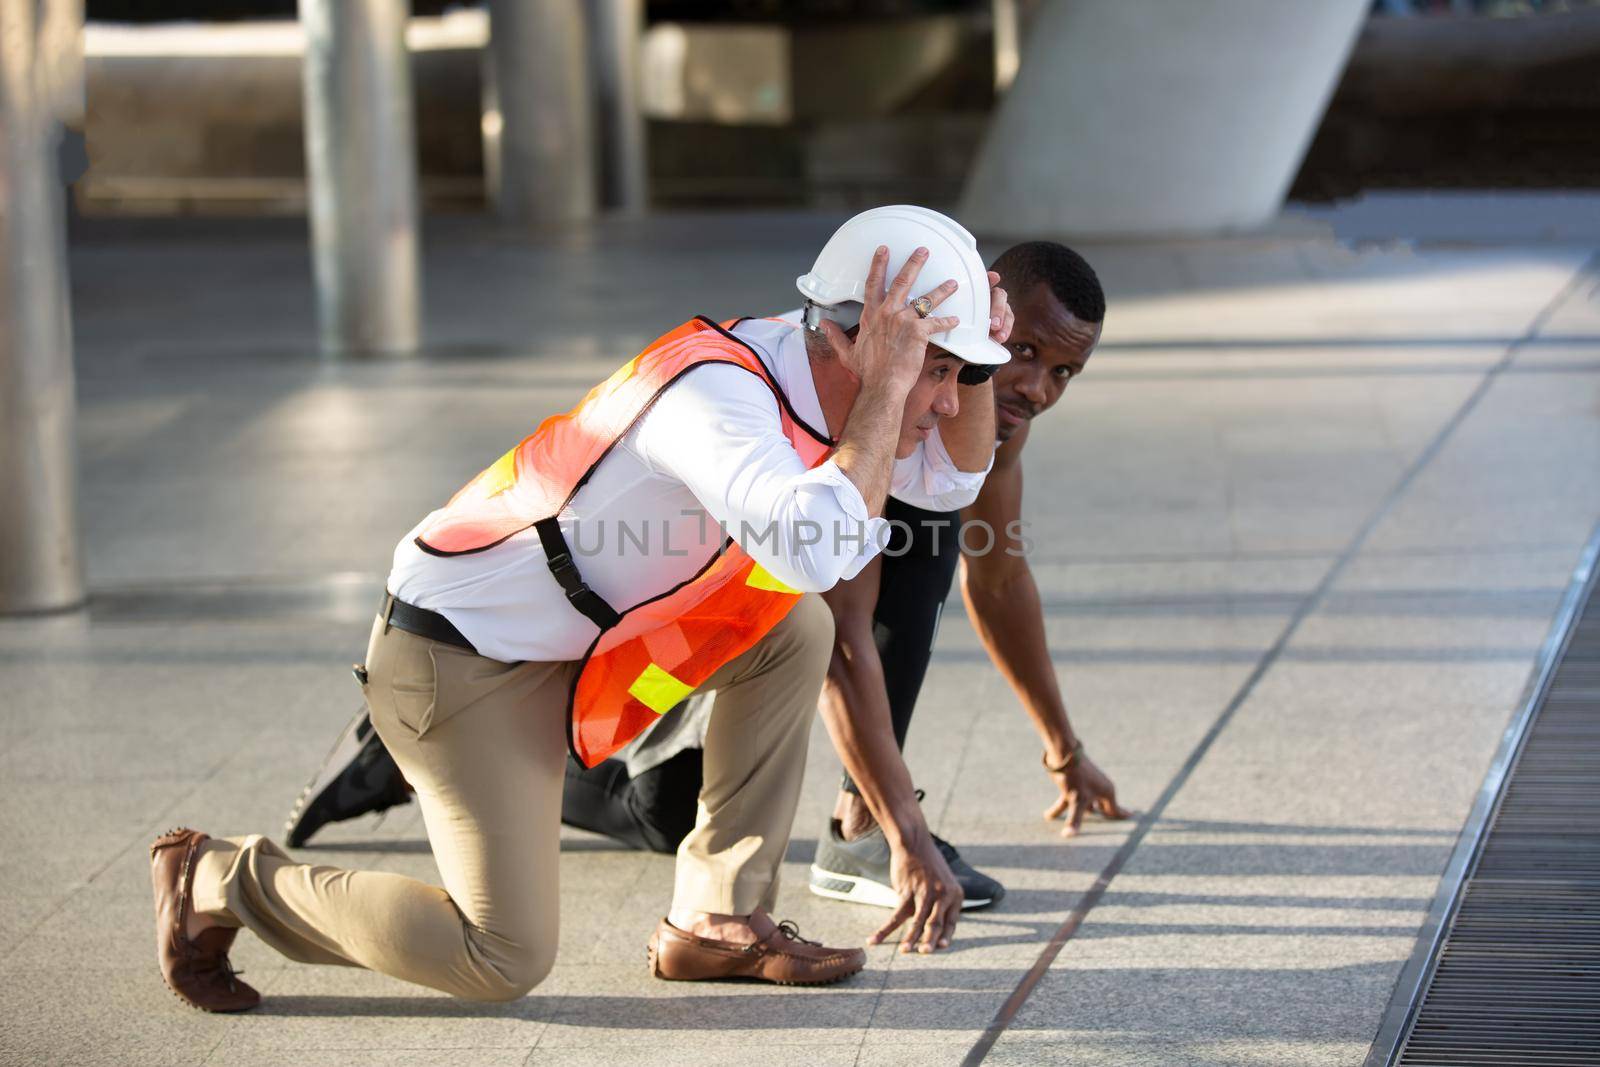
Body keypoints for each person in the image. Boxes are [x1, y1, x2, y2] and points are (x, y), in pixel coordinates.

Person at [148, 205, 1014, 1014]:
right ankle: (220, 879)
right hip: (460, 661)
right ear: (856, 340)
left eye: (953, 375)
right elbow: (817, 547)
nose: (944, 401)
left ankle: (718, 920)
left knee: (794, 628)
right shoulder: (718, 396)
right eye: (933, 371)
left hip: (579, 641)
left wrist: (975, 361)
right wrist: (888, 387)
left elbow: (950, 479)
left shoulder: (834, 384)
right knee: (500, 956)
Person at [286, 240, 1130, 943]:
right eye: (1019, 353)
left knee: (685, 782)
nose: (1036, 388)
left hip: (677, 625)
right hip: (545, 631)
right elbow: (843, 637)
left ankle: (712, 897)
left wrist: (1061, 743)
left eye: (1064, 372)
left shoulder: (962, 417)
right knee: (658, 811)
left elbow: (1001, 570)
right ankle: (415, 762)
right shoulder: (831, 408)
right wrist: (896, 826)